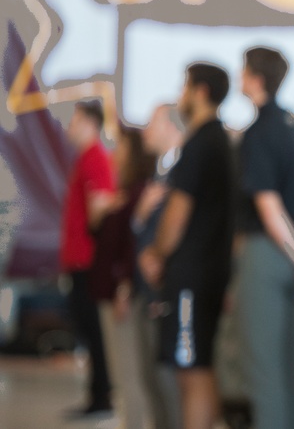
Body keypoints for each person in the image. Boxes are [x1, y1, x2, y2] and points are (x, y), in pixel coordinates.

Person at [138, 63, 235, 429]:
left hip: (192, 278)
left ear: (200, 91)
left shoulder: (200, 143)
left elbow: (178, 212)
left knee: (189, 371)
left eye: (184, 87)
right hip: (208, 273)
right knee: (201, 367)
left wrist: (156, 252)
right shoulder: (220, 140)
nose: (181, 95)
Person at [234, 46, 294, 429]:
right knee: (286, 368)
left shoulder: (259, 133)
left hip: (268, 256)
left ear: (255, 78)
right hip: (293, 256)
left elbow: (270, 211)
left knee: (265, 372)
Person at [90, 125, 157, 429]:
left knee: (129, 367)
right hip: (110, 288)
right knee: (123, 368)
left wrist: (124, 288)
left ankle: (134, 423)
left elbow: (131, 248)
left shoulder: (139, 195)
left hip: (123, 291)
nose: (114, 153)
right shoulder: (122, 194)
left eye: (121, 147)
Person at [60, 100, 117, 417]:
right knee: (89, 331)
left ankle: (101, 398)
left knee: (96, 332)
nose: (70, 127)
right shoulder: (85, 160)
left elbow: (101, 207)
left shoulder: (95, 158)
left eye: (75, 120)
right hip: (79, 261)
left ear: (90, 123)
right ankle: (97, 395)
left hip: (89, 263)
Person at [137, 104, 184, 429]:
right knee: (152, 377)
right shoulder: (160, 174)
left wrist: (158, 264)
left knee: (170, 381)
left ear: (170, 127)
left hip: (167, 290)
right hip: (150, 288)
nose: (145, 130)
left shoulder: (181, 175)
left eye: (152, 122)